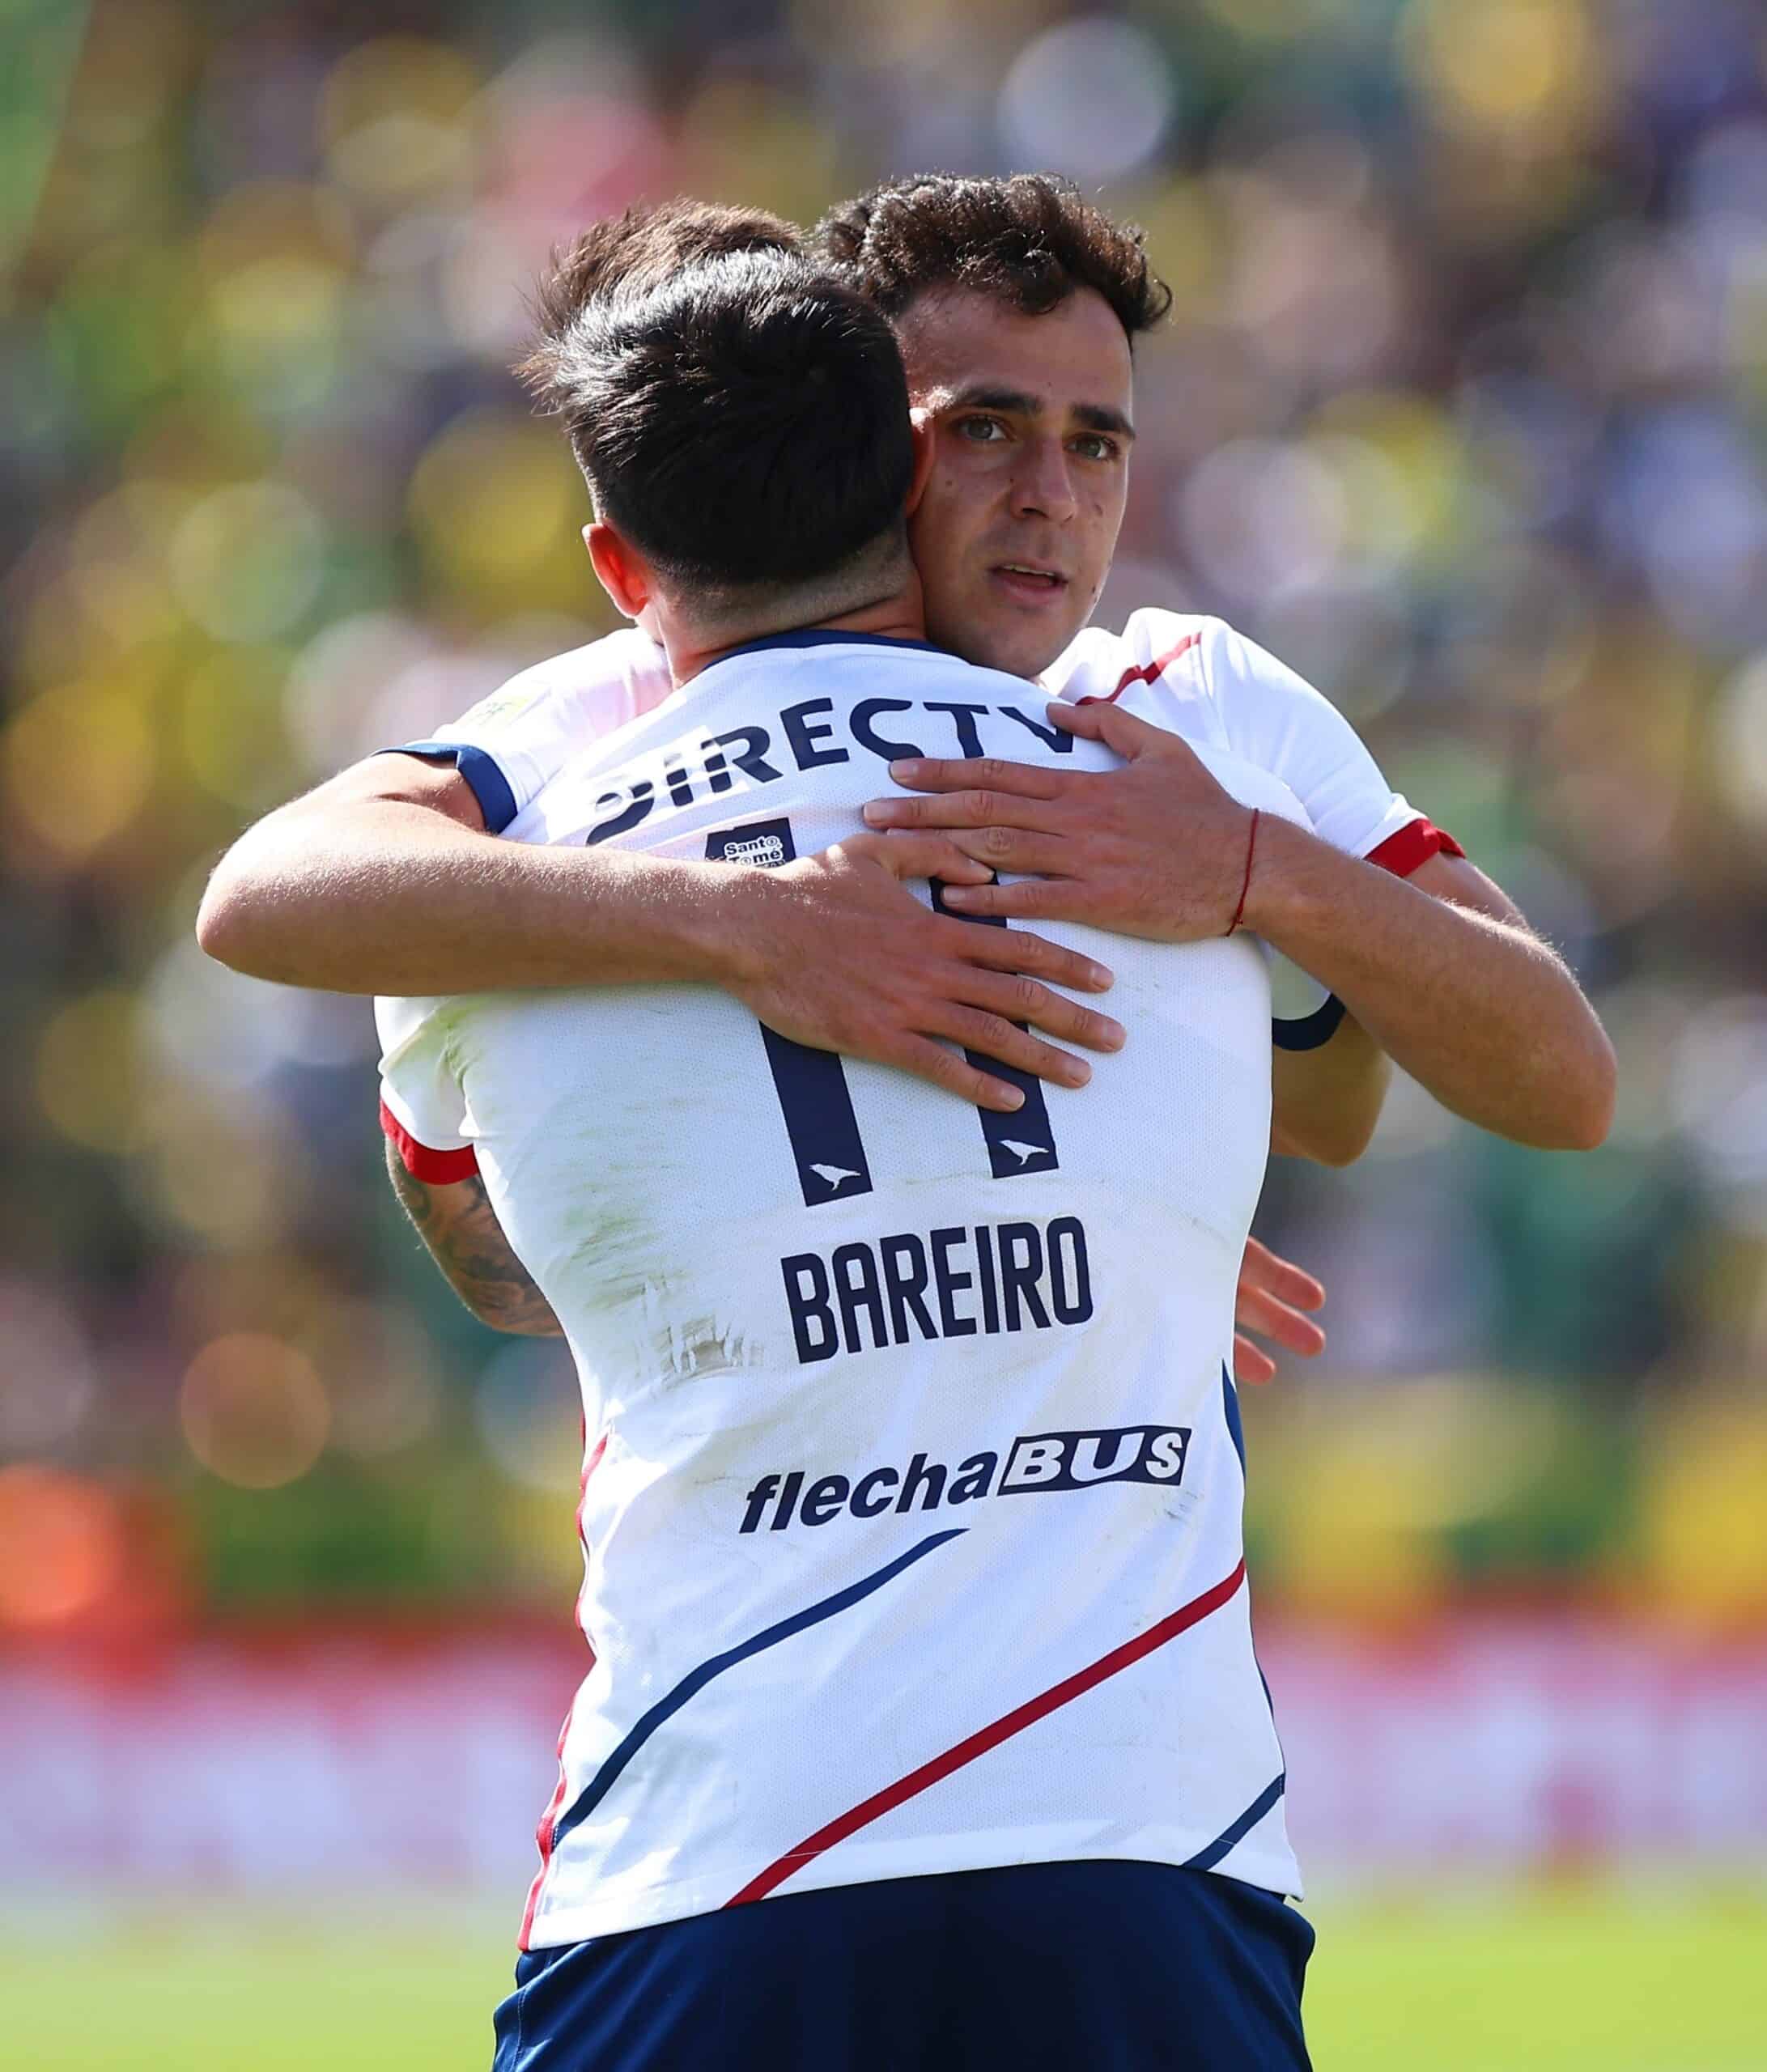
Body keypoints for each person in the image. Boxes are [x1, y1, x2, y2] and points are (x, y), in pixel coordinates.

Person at [380, 231, 1332, 2070]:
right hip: (1145, 1830)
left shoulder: (479, 879)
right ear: (903, 486)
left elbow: (491, 1267)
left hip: (711, 1846)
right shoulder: (1160, 790)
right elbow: (1370, 1087)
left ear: (617, 567)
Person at [195, 176, 1613, 1367]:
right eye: (985, 429)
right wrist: (752, 929)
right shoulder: (644, 692)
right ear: (876, 447)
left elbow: (1549, 1087)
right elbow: (271, 890)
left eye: (1097, 445)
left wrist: (1257, 880)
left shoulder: (1189, 696)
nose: (1052, 498)